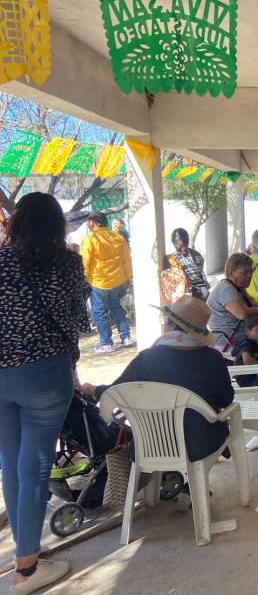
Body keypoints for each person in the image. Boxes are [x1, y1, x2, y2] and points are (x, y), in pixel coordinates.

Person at [0, 193, 88, 593]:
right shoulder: (68, 263)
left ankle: (25, 554)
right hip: (45, 373)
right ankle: (27, 567)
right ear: (58, 225)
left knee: (10, 464)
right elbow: (78, 318)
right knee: (34, 466)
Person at [84, 296, 235, 464]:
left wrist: (92, 390)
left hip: (151, 446)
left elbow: (115, 393)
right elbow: (227, 399)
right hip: (201, 444)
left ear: (170, 325)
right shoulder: (213, 358)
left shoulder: (147, 358)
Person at [81, 211, 133, 353]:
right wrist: (128, 277)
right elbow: (126, 259)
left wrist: (83, 279)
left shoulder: (90, 239)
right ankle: (126, 337)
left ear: (92, 222)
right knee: (117, 308)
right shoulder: (118, 238)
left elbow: (85, 261)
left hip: (99, 282)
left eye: (88, 221)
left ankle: (106, 343)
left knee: (99, 313)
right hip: (118, 281)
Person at [207, 253, 258, 352]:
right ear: (230, 273)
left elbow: (253, 303)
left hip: (242, 335)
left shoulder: (238, 287)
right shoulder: (226, 289)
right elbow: (242, 314)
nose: (249, 276)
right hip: (230, 341)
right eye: (244, 273)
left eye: (251, 272)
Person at [164, 227, 210, 300]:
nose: (184, 248)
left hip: (201, 292)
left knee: (205, 295)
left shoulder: (196, 255)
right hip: (182, 295)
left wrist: (203, 286)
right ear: (174, 244)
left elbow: (201, 275)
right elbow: (169, 284)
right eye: (181, 246)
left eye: (186, 244)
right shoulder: (170, 260)